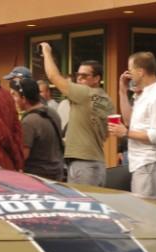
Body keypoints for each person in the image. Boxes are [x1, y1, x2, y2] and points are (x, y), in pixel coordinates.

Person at [40, 42, 114, 186]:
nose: (79, 79)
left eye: (84, 76)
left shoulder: (84, 93)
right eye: (78, 75)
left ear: (97, 78)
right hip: (97, 163)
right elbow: (106, 133)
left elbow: (53, 76)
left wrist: (47, 52)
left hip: (83, 164)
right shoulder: (106, 99)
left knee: (82, 205)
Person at [108, 52, 156, 200]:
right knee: (142, 211)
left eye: (130, 69)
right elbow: (128, 121)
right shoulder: (145, 95)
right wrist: (122, 92)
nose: (128, 74)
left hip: (151, 161)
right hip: (142, 162)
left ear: (141, 71)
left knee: (147, 214)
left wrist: (126, 133)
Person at [14, 78, 64, 180]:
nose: (13, 99)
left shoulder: (28, 122)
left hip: (37, 177)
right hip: (56, 173)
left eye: (14, 95)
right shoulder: (53, 113)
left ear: (23, 98)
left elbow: (23, 155)